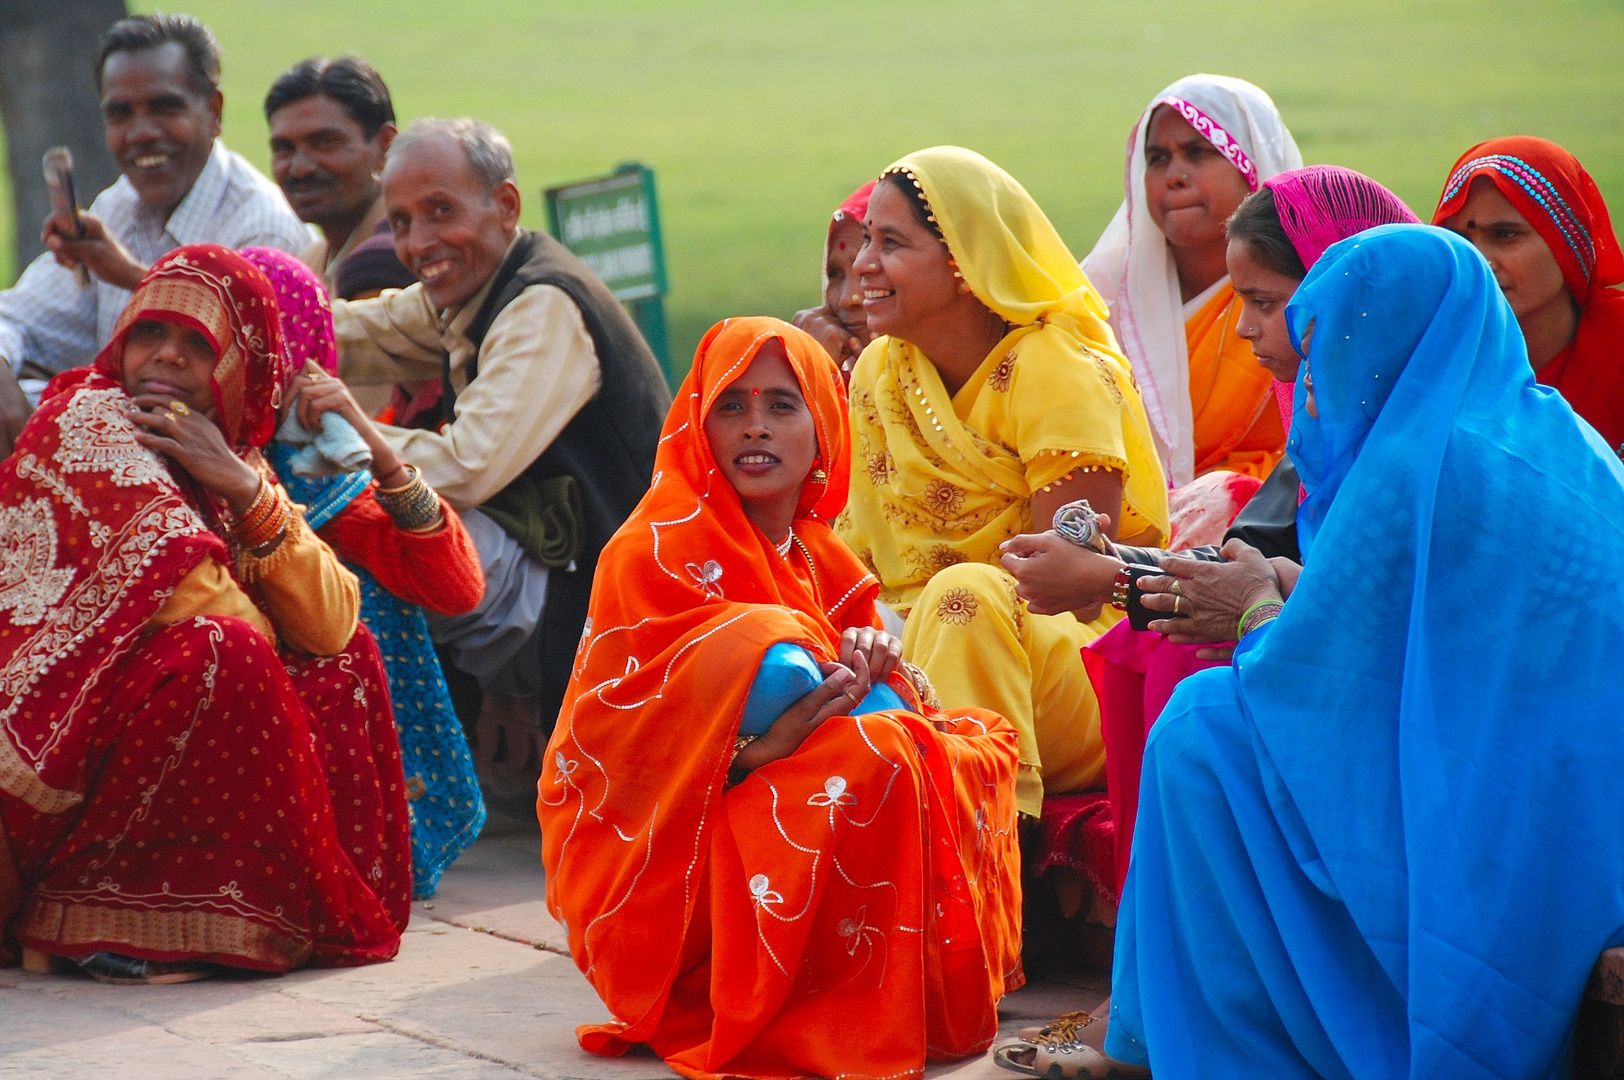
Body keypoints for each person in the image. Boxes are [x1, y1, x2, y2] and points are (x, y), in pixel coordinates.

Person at [1102, 224, 1624, 1076]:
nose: (1318, 378)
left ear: (1382, 340)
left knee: (1203, 730)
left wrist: (1254, 606)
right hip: (1573, 807)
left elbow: (1319, 692)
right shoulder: (1543, 431)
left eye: (1331, 343)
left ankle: (1249, 1048)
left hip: (1504, 833)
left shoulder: (1425, 465)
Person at [992, 167, 1421, 1079]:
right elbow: (1261, 562)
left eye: (1266, 301)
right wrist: (1122, 577)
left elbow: (1368, 621)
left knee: (1196, 689)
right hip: (1335, 673)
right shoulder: (1327, 412)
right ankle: (1154, 993)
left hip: (1412, 724)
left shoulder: (1420, 432)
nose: (1248, 328)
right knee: (1150, 648)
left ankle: (1169, 1004)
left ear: (1345, 287)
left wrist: (1120, 575)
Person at [539, 316, 1022, 1079]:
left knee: (965, 737)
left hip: (782, 797)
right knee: (875, 746)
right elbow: (610, 756)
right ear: (700, 423)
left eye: (780, 405)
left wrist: (884, 662)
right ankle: (807, 1005)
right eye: (730, 405)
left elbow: (901, 704)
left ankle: (891, 992)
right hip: (671, 861)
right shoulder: (649, 552)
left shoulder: (824, 557)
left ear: (823, 425)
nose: (753, 427)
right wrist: (756, 748)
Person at [2, 244, 408, 984]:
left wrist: (246, 493)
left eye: (198, 345)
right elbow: (222, 617)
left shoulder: (227, 456)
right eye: (151, 333)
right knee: (224, 652)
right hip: (44, 747)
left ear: (239, 370)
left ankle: (256, 911)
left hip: (140, 721)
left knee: (345, 664)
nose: (165, 359)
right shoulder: (96, 419)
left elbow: (332, 624)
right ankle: (94, 912)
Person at [331, 118, 670, 812]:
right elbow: (359, 330)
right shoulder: (474, 290)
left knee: (366, 550)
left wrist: (340, 430)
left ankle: (395, 794)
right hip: (557, 569)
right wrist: (231, 308)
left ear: (506, 206)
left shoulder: (542, 303)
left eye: (440, 212)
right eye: (400, 222)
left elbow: (464, 467)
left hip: (617, 598)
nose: (419, 242)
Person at [837, 146, 1169, 818]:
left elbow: (1067, 586)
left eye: (890, 243)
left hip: (1071, 671)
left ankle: (988, 838)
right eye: (866, 241)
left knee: (965, 598)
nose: (862, 265)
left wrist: (920, 625)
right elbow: (855, 555)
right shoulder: (880, 371)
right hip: (914, 648)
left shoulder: (1054, 368)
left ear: (964, 258)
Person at [242, 246, 487, 899]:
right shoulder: (180, 453)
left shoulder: (322, 476)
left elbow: (456, 587)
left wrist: (376, 449)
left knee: (356, 603)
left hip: (306, 757)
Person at [0, 12, 310, 447]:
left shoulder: (262, 230)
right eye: (121, 114)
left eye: (165, 108)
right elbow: (16, 317)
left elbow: (241, 394)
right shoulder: (122, 204)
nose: (141, 133)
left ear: (214, 112)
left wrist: (129, 276)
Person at [1083, 74, 1303, 487]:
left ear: (1253, 164)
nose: (1174, 176)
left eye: (1198, 152)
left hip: (1276, 523)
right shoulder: (1102, 296)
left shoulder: (1306, 283)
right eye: (1157, 159)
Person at [1434, 135, 1624, 456]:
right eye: (1459, 240)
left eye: (1505, 235)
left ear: (1566, 243)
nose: (1479, 261)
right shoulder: (1434, 365)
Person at [265, 55, 406, 297]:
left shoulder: (401, 255)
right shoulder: (310, 262)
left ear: (386, 146)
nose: (300, 169)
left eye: (326, 142)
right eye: (284, 148)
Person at [792, 180, 875, 381]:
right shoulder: (837, 385)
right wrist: (809, 375)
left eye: (868, 271)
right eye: (835, 274)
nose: (848, 299)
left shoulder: (958, 381)